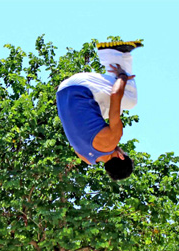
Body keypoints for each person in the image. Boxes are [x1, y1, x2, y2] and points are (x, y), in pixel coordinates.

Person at [56, 41, 141, 180]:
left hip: (80, 86)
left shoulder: (112, 138)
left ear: (121, 156)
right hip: (62, 94)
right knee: (112, 112)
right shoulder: (85, 158)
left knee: (130, 100)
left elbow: (115, 95)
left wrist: (122, 78)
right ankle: (114, 56)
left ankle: (115, 54)